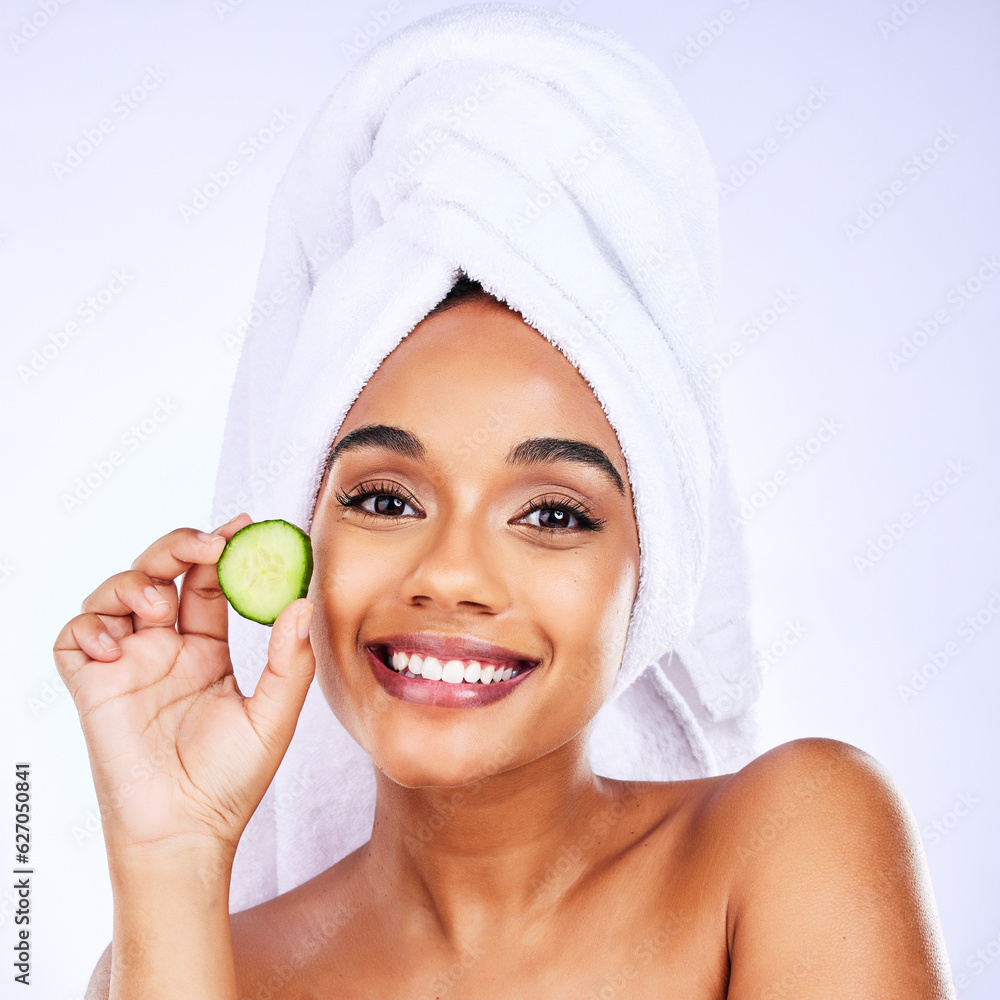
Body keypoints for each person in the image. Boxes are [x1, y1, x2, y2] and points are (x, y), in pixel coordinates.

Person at [54, 5, 956, 998]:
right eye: (387, 498)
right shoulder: (188, 965)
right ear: (305, 539)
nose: (447, 572)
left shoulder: (790, 839)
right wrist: (170, 851)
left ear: (646, 573)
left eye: (555, 514)